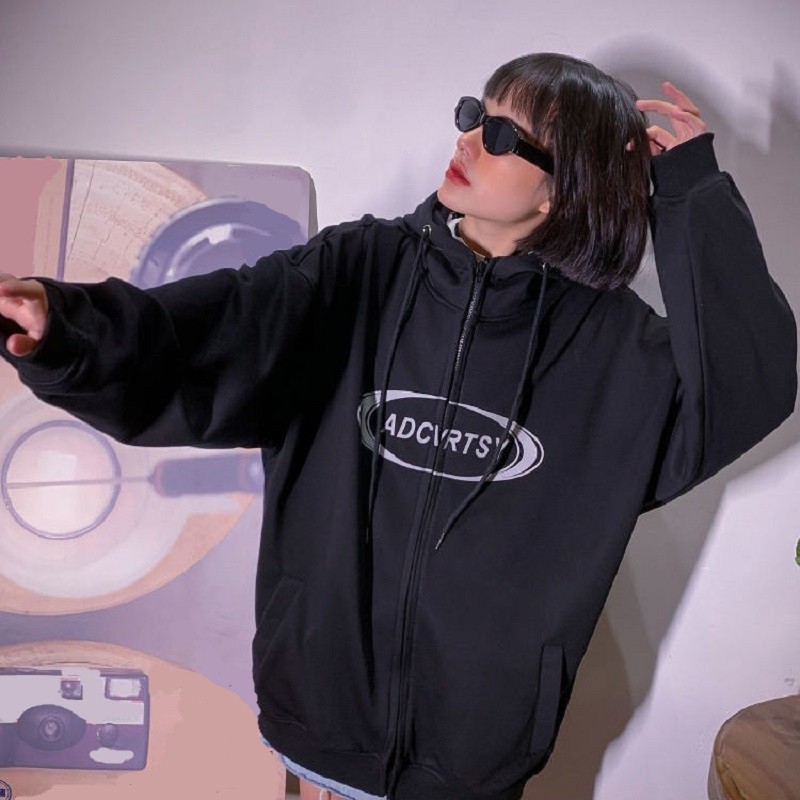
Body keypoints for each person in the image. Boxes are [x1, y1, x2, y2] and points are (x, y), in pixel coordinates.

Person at [0, 52, 796, 800]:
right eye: (473, 114)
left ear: (562, 190)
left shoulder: (617, 353)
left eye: (501, 136)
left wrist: (690, 191)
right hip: (318, 726)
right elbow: (209, 333)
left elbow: (748, 383)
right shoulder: (358, 272)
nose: (466, 140)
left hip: (474, 760)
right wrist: (68, 330)